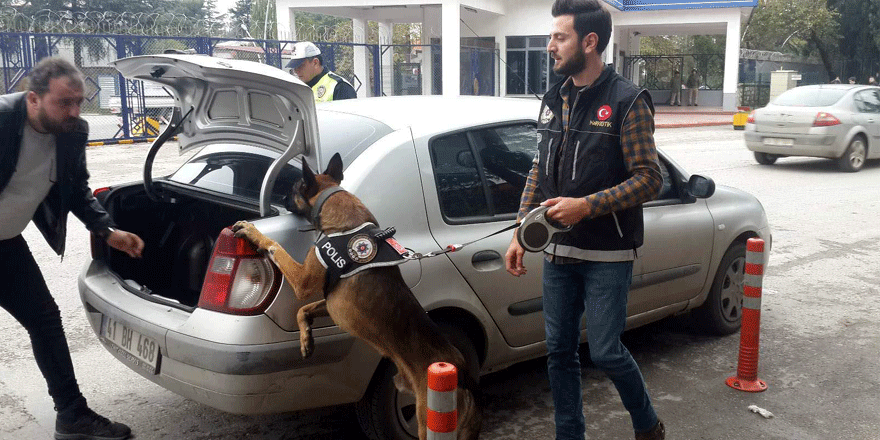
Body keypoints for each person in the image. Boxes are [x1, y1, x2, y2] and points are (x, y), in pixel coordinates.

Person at [504, 1, 665, 439]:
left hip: (607, 252)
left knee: (608, 351)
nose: (549, 47)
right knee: (559, 351)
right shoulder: (554, 98)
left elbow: (651, 179)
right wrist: (523, 227)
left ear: (589, 42)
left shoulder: (627, 101)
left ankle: (648, 424)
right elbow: (540, 168)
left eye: (560, 38)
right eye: (551, 37)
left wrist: (586, 205)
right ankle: (569, 434)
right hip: (557, 250)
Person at [0, 57, 144, 440]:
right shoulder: (1, 120)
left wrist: (107, 230)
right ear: (33, 98)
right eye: (64, 103)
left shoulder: (72, 131)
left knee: (45, 320)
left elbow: (75, 186)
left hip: (5, 246)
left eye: (80, 101)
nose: (75, 111)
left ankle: (72, 415)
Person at [284, 41, 357, 102]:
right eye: (294, 68)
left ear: (315, 63)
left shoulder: (340, 87)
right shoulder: (299, 88)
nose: (296, 71)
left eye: (300, 66)